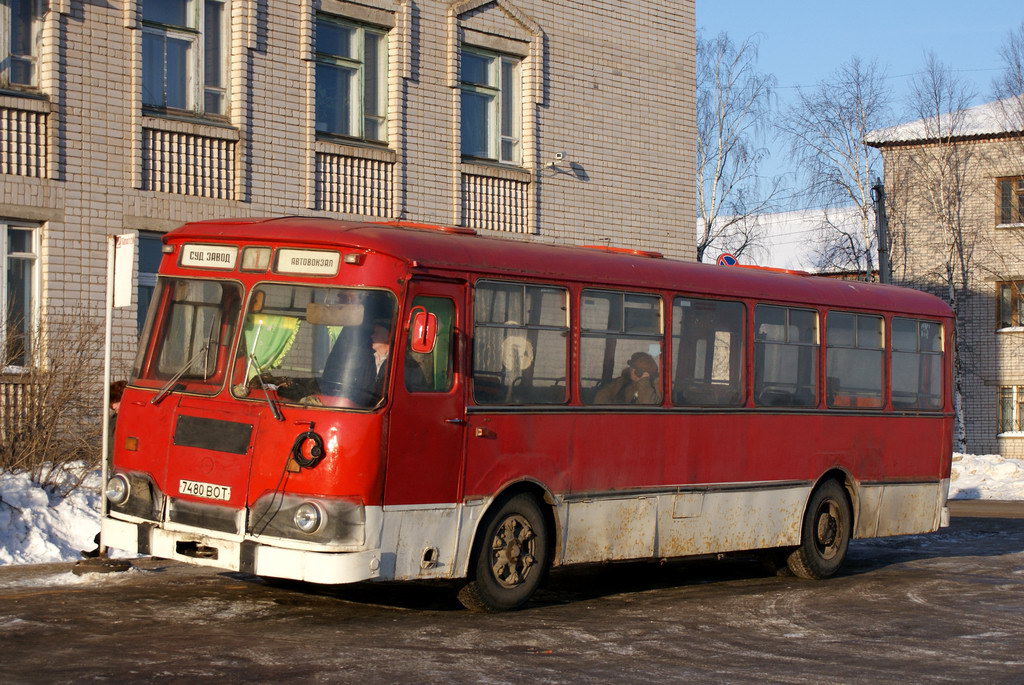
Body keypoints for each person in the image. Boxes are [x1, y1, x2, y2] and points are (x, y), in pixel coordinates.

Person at [593, 352, 662, 405]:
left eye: (633, 368)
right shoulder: (622, 381)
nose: (630, 370)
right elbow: (600, 397)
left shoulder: (656, 385)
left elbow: (647, 404)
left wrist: (644, 381)